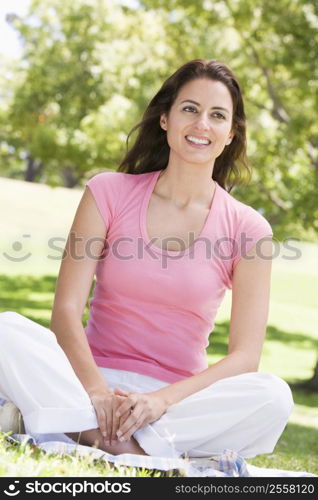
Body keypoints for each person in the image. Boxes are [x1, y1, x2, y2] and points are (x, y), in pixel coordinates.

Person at [0, 58, 294, 459]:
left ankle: (85, 435)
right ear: (165, 119)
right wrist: (98, 392)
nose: (201, 125)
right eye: (189, 109)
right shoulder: (108, 192)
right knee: (7, 330)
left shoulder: (249, 229)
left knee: (274, 396)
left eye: (217, 115)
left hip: (175, 404)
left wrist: (160, 401)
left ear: (231, 133)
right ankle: (127, 446)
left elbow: (245, 356)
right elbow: (66, 311)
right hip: (87, 382)